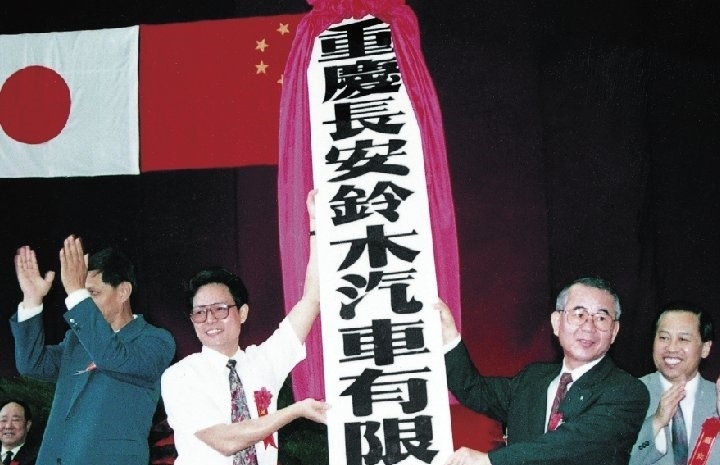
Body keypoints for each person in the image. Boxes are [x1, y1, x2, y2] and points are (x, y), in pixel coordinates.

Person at [161, 191, 329, 465]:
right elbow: (226, 441)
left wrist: (317, 225)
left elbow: (312, 299)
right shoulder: (180, 376)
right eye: (200, 313)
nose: (210, 319)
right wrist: (295, 411)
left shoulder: (263, 360)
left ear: (242, 313)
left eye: (220, 309)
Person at [438, 276, 650, 465]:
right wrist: (449, 337)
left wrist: (491, 460)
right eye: (579, 314)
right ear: (556, 322)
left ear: (614, 331)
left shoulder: (627, 391)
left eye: (601, 318)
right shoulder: (532, 379)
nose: (588, 326)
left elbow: (571, 445)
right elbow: (475, 390)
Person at [10, 236, 176, 465]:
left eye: (93, 294)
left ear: (123, 291)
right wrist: (32, 299)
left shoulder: (156, 340)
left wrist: (76, 292)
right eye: (84, 296)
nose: (85, 303)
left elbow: (112, 357)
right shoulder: (77, 341)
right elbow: (31, 364)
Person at [630, 301, 720, 465]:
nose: (671, 348)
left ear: (705, 348)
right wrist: (655, 423)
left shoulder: (715, 397)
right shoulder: (628, 393)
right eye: (664, 338)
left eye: (683, 339)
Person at [0, 400, 38, 465]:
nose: (8, 426)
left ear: (28, 425)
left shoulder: (38, 457)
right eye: (3, 420)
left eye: (15, 420)